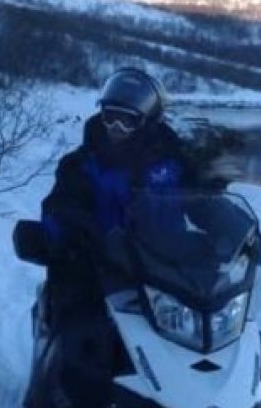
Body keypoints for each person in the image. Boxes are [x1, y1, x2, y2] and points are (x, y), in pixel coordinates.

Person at [40, 66, 238, 324]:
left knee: (223, 322)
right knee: (80, 341)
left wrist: (241, 236)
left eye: (127, 119)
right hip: (102, 268)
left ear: (148, 121)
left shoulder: (174, 161)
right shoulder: (80, 164)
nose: (116, 127)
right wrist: (81, 230)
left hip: (167, 268)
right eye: (109, 116)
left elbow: (202, 203)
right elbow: (58, 207)